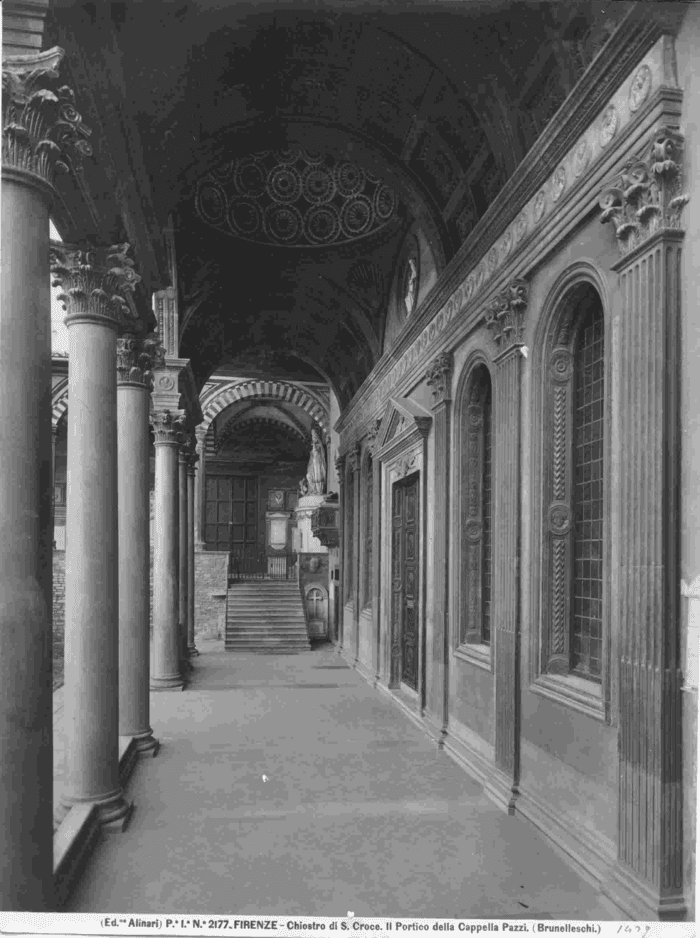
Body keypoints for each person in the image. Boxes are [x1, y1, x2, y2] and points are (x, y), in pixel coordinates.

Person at [305, 428, 327, 495]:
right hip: (313, 464)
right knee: (308, 476)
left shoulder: (319, 446)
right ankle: (314, 489)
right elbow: (312, 457)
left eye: (314, 437)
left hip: (318, 464)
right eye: (312, 437)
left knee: (317, 476)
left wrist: (315, 447)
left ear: (317, 438)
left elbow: (320, 454)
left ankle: (319, 490)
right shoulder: (313, 447)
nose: (313, 439)